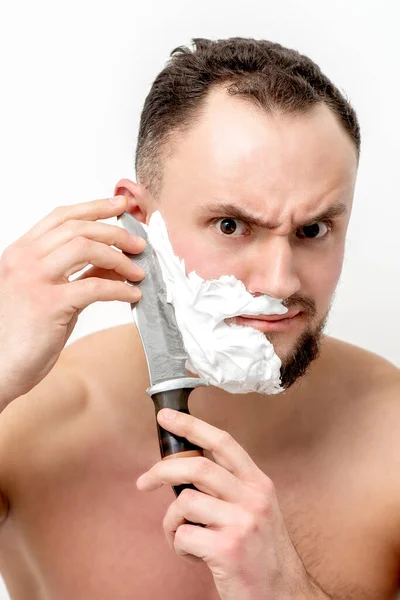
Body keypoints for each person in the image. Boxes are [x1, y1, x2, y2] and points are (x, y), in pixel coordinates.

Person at [0, 36, 399, 600]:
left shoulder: (394, 435)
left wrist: (287, 590)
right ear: (138, 220)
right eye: (232, 226)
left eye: (312, 230)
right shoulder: (23, 423)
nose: (280, 281)